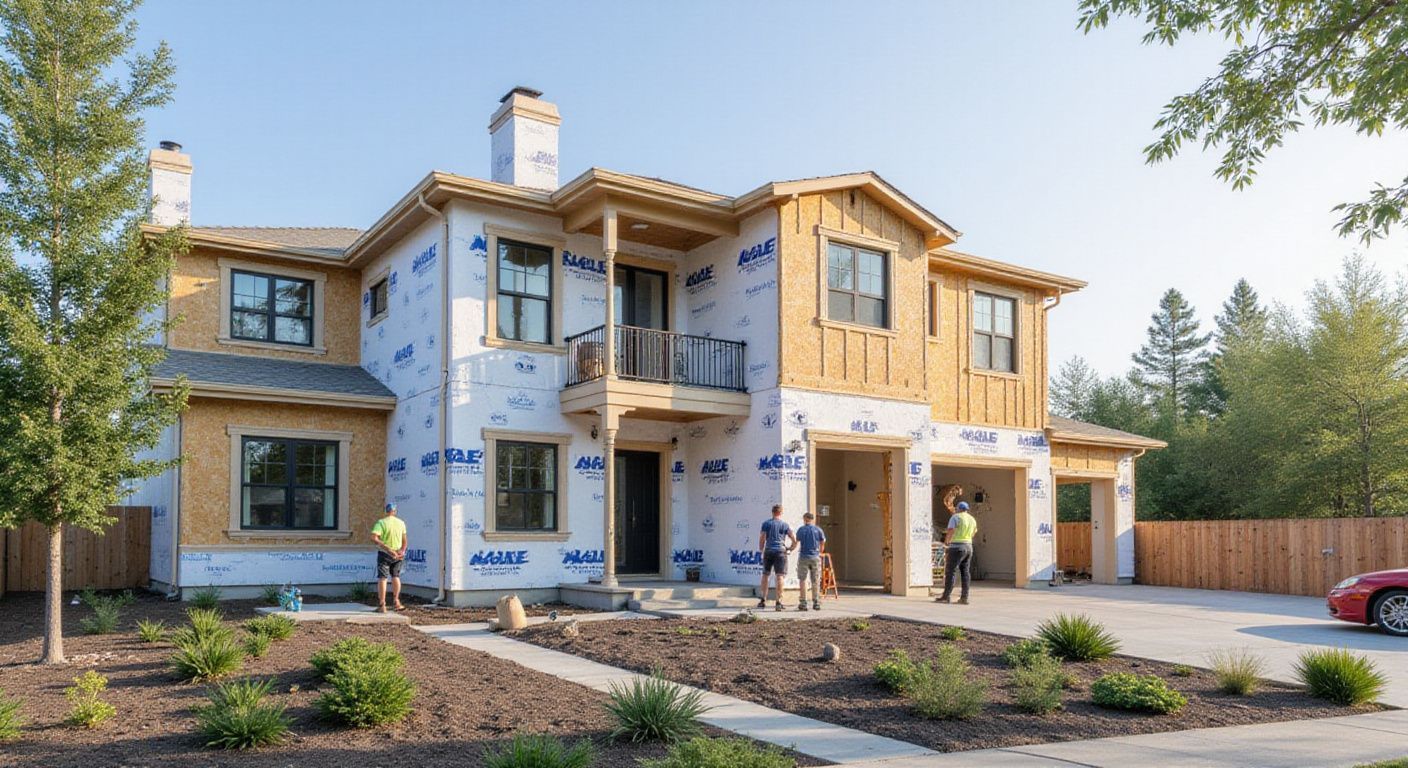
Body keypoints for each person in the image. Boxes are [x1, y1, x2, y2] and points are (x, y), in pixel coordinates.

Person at [757, 504, 797, 612]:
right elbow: (793, 538)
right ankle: (778, 602)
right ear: (781, 513)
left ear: (772, 512)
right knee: (780, 576)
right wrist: (791, 548)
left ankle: (763, 600)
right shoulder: (784, 525)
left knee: (765, 575)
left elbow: (762, 538)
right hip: (780, 551)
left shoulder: (766, 524)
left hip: (769, 550)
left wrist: (761, 550)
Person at [936, 501, 977, 605]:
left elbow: (951, 530)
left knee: (951, 571)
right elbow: (974, 532)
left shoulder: (955, 517)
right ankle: (964, 597)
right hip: (969, 547)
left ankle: (946, 596)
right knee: (965, 572)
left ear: (958, 508)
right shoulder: (972, 519)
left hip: (957, 547)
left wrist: (946, 542)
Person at [371, 502, 408, 612]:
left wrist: (387, 548)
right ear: (395, 512)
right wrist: (402, 551)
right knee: (396, 576)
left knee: (383, 578)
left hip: (385, 553)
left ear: (386, 511)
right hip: (398, 554)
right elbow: (405, 540)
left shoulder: (381, 522)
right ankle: (396, 601)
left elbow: (374, 537)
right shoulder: (401, 523)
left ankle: (382, 604)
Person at [795, 511, 826, 611]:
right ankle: (816, 602)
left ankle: (803, 602)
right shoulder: (818, 530)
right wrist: (820, 552)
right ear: (813, 519)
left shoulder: (801, 529)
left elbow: (797, 541)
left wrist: (790, 549)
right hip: (815, 557)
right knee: (815, 579)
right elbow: (822, 542)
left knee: (803, 579)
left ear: (805, 519)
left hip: (804, 556)